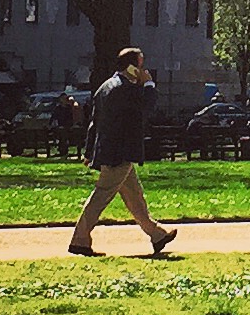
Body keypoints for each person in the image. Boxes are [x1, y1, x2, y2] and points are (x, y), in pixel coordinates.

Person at [68, 47, 177, 257]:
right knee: (101, 196)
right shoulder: (126, 88)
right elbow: (146, 107)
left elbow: (94, 122)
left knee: (135, 196)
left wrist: (89, 151)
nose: (143, 69)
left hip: (111, 150)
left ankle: (157, 234)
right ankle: (80, 240)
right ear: (131, 67)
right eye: (140, 65)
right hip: (120, 152)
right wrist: (149, 84)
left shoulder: (105, 87)